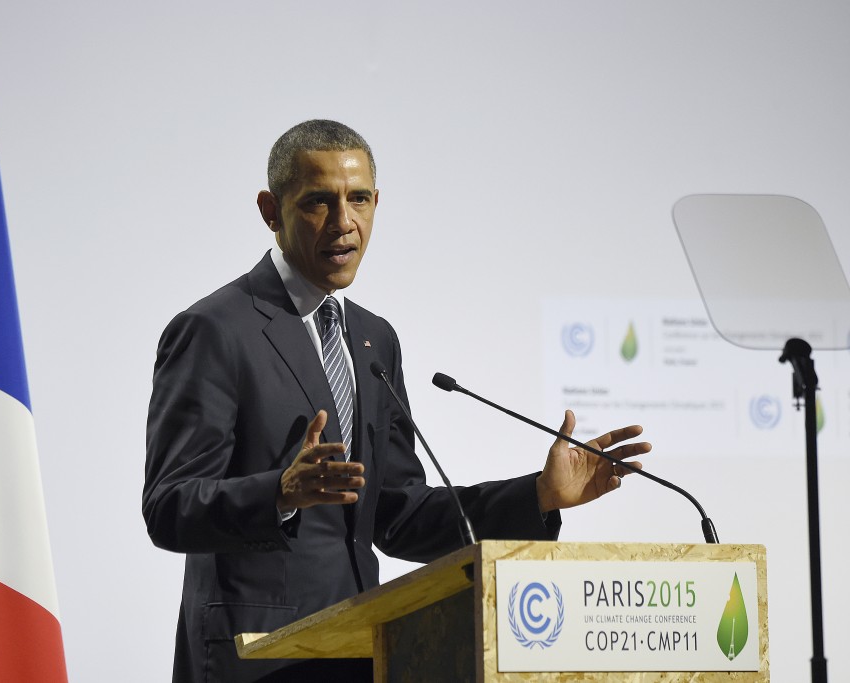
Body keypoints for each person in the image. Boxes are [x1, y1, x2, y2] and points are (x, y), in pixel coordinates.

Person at [143, 120, 650, 683]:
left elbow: (397, 514)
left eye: (358, 199)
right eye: (317, 202)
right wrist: (280, 494)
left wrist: (538, 495)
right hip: (257, 656)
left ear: (377, 203)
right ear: (270, 210)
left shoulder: (372, 338)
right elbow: (169, 506)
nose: (344, 222)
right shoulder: (215, 329)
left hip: (367, 651)